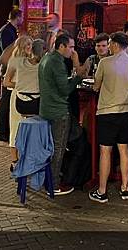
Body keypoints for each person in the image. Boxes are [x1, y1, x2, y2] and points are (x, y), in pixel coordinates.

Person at [89, 32, 128, 203]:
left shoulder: (105, 62)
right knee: (124, 149)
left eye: (109, 43)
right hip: (126, 111)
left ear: (115, 44)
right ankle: (124, 188)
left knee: (105, 151)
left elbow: (96, 86)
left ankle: (102, 191)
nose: (108, 46)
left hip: (107, 112)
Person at [39, 33, 82, 195]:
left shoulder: (46, 58)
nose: (73, 51)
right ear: (62, 46)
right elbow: (65, 90)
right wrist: (77, 78)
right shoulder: (57, 62)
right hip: (58, 111)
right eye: (71, 47)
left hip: (46, 109)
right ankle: (54, 183)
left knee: (50, 147)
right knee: (58, 147)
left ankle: (47, 179)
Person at [3, 35, 33, 169]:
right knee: (15, 127)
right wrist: (20, 84)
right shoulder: (14, 61)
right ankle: (14, 160)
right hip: (17, 96)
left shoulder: (32, 61)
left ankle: (27, 157)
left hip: (31, 98)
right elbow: (6, 82)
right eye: (28, 45)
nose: (30, 47)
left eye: (31, 45)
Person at [0, 7, 23, 143]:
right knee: (5, 99)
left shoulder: (11, 30)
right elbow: (7, 52)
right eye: (21, 17)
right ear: (17, 17)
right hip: (7, 68)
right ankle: (2, 131)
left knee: (8, 99)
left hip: (11, 68)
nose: (22, 20)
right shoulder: (6, 31)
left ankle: (6, 129)